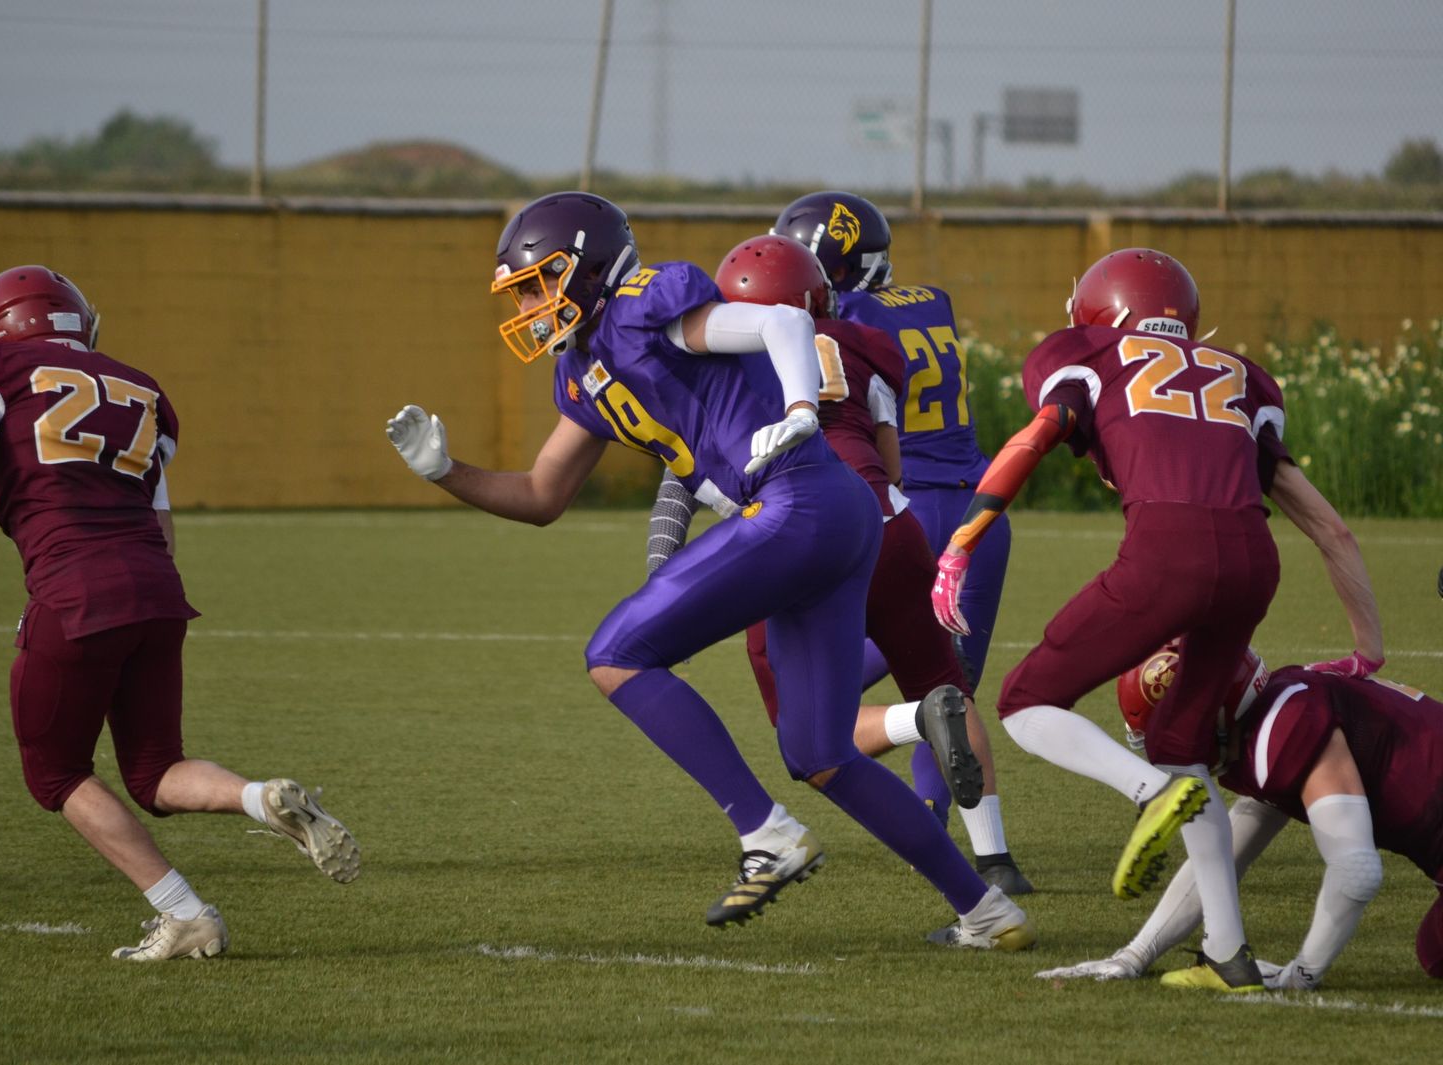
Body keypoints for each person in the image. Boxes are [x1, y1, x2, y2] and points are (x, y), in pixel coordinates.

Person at [385, 191, 1035, 948]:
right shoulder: (583, 369)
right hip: (835, 514)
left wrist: (798, 409)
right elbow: (540, 494)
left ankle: (766, 833)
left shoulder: (639, 305)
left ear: (591, 267)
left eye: (539, 282)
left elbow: (782, 319)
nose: (531, 305)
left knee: (615, 653)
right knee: (818, 752)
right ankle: (987, 910)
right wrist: (446, 472)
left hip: (799, 500)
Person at [0, 265, 360, 961]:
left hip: (76, 591)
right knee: (156, 769)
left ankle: (185, 913)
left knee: (56, 773)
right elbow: (160, 518)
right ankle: (259, 796)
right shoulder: (137, 386)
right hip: (156, 589)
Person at [927, 247, 1383, 990]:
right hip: (1252, 558)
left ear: (1104, 307)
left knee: (1023, 701)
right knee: (1183, 744)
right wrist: (1369, 647)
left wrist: (962, 540)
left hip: (1167, 549)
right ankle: (1227, 953)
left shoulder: (1085, 355)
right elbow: (1331, 528)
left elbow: (1032, 438)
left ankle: (1148, 793)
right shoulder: (1239, 376)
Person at [645, 233, 1031, 895]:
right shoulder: (865, 345)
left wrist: (662, 569)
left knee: (802, 731)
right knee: (943, 677)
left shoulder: (724, 369)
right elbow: (891, 456)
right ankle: (995, 859)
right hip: (890, 519)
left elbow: (691, 476)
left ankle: (912, 722)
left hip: (799, 536)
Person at [769, 191, 1010, 825]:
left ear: (829, 269)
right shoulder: (933, 300)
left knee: (823, 697)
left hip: (896, 508)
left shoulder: (838, 321)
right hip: (978, 512)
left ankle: (915, 807)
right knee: (950, 686)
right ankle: (981, 853)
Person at [1039, 645, 1442, 989]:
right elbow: (1221, 856)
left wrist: (1299, 977)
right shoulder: (1260, 727)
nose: (1164, 748)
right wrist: (1134, 956)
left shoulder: (1285, 727)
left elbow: (1357, 870)